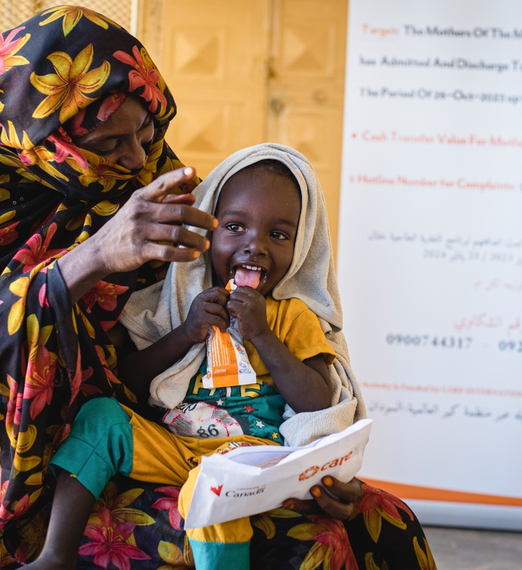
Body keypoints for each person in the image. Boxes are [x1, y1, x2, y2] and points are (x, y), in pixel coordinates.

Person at [0, 6, 436, 569]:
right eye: (109, 145)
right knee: (304, 544)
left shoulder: (144, 168)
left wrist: (328, 469)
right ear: (48, 138)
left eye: (149, 129)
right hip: (51, 468)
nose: (137, 159)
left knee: (385, 519)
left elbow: (232, 268)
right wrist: (96, 255)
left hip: (197, 440)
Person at [28, 156, 336, 570]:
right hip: (174, 445)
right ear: (206, 230)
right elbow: (130, 384)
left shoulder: (291, 316)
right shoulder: (181, 304)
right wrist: (184, 334)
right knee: (102, 415)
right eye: (234, 227)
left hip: (249, 455)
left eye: (278, 234)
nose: (255, 245)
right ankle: (55, 556)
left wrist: (263, 336)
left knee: (215, 487)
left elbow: (318, 401)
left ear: (300, 249)